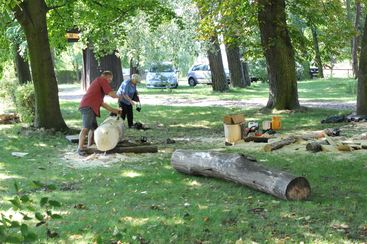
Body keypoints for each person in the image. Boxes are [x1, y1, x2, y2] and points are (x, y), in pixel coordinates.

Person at [77, 71, 122, 156]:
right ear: (106, 77)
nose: (110, 81)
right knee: (85, 128)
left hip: (90, 107)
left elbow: (102, 104)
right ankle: (80, 148)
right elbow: (112, 94)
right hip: (88, 107)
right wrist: (122, 95)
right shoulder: (101, 80)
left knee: (94, 128)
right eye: (110, 79)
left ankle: (90, 146)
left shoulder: (98, 90)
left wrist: (114, 110)